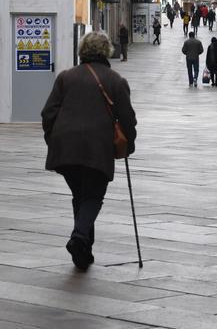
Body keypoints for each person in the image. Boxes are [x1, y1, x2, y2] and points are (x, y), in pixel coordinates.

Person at [41, 32, 137, 270]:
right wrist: (128, 145)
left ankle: (83, 251)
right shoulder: (116, 81)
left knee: (81, 196)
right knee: (93, 196)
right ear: (107, 52)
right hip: (97, 148)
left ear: (82, 51)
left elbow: (47, 114)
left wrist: (53, 140)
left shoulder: (66, 77)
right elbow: (127, 119)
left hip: (65, 149)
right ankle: (79, 238)